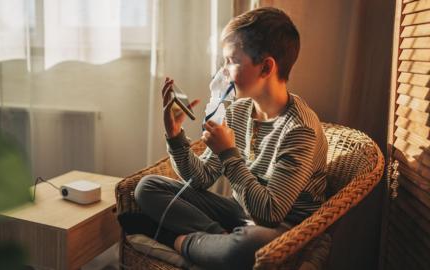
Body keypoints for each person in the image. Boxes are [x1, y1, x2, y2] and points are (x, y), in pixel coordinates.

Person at [119, 7, 328, 270]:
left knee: (253, 245)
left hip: (281, 228)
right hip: (239, 214)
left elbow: (270, 214)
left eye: (231, 61)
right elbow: (202, 177)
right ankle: (216, 240)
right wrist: (175, 137)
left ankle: (178, 240)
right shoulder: (239, 110)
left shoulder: (300, 130)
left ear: (266, 67)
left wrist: (229, 154)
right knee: (147, 187)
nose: (224, 71)